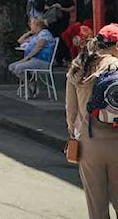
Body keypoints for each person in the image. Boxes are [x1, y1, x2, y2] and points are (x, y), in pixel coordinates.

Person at [66, 24, 118, 219]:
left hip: (89, 142)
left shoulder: (79, 65)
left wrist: (74, 133)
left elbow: (70, 114)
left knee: (97, 208)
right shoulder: (116, 66)